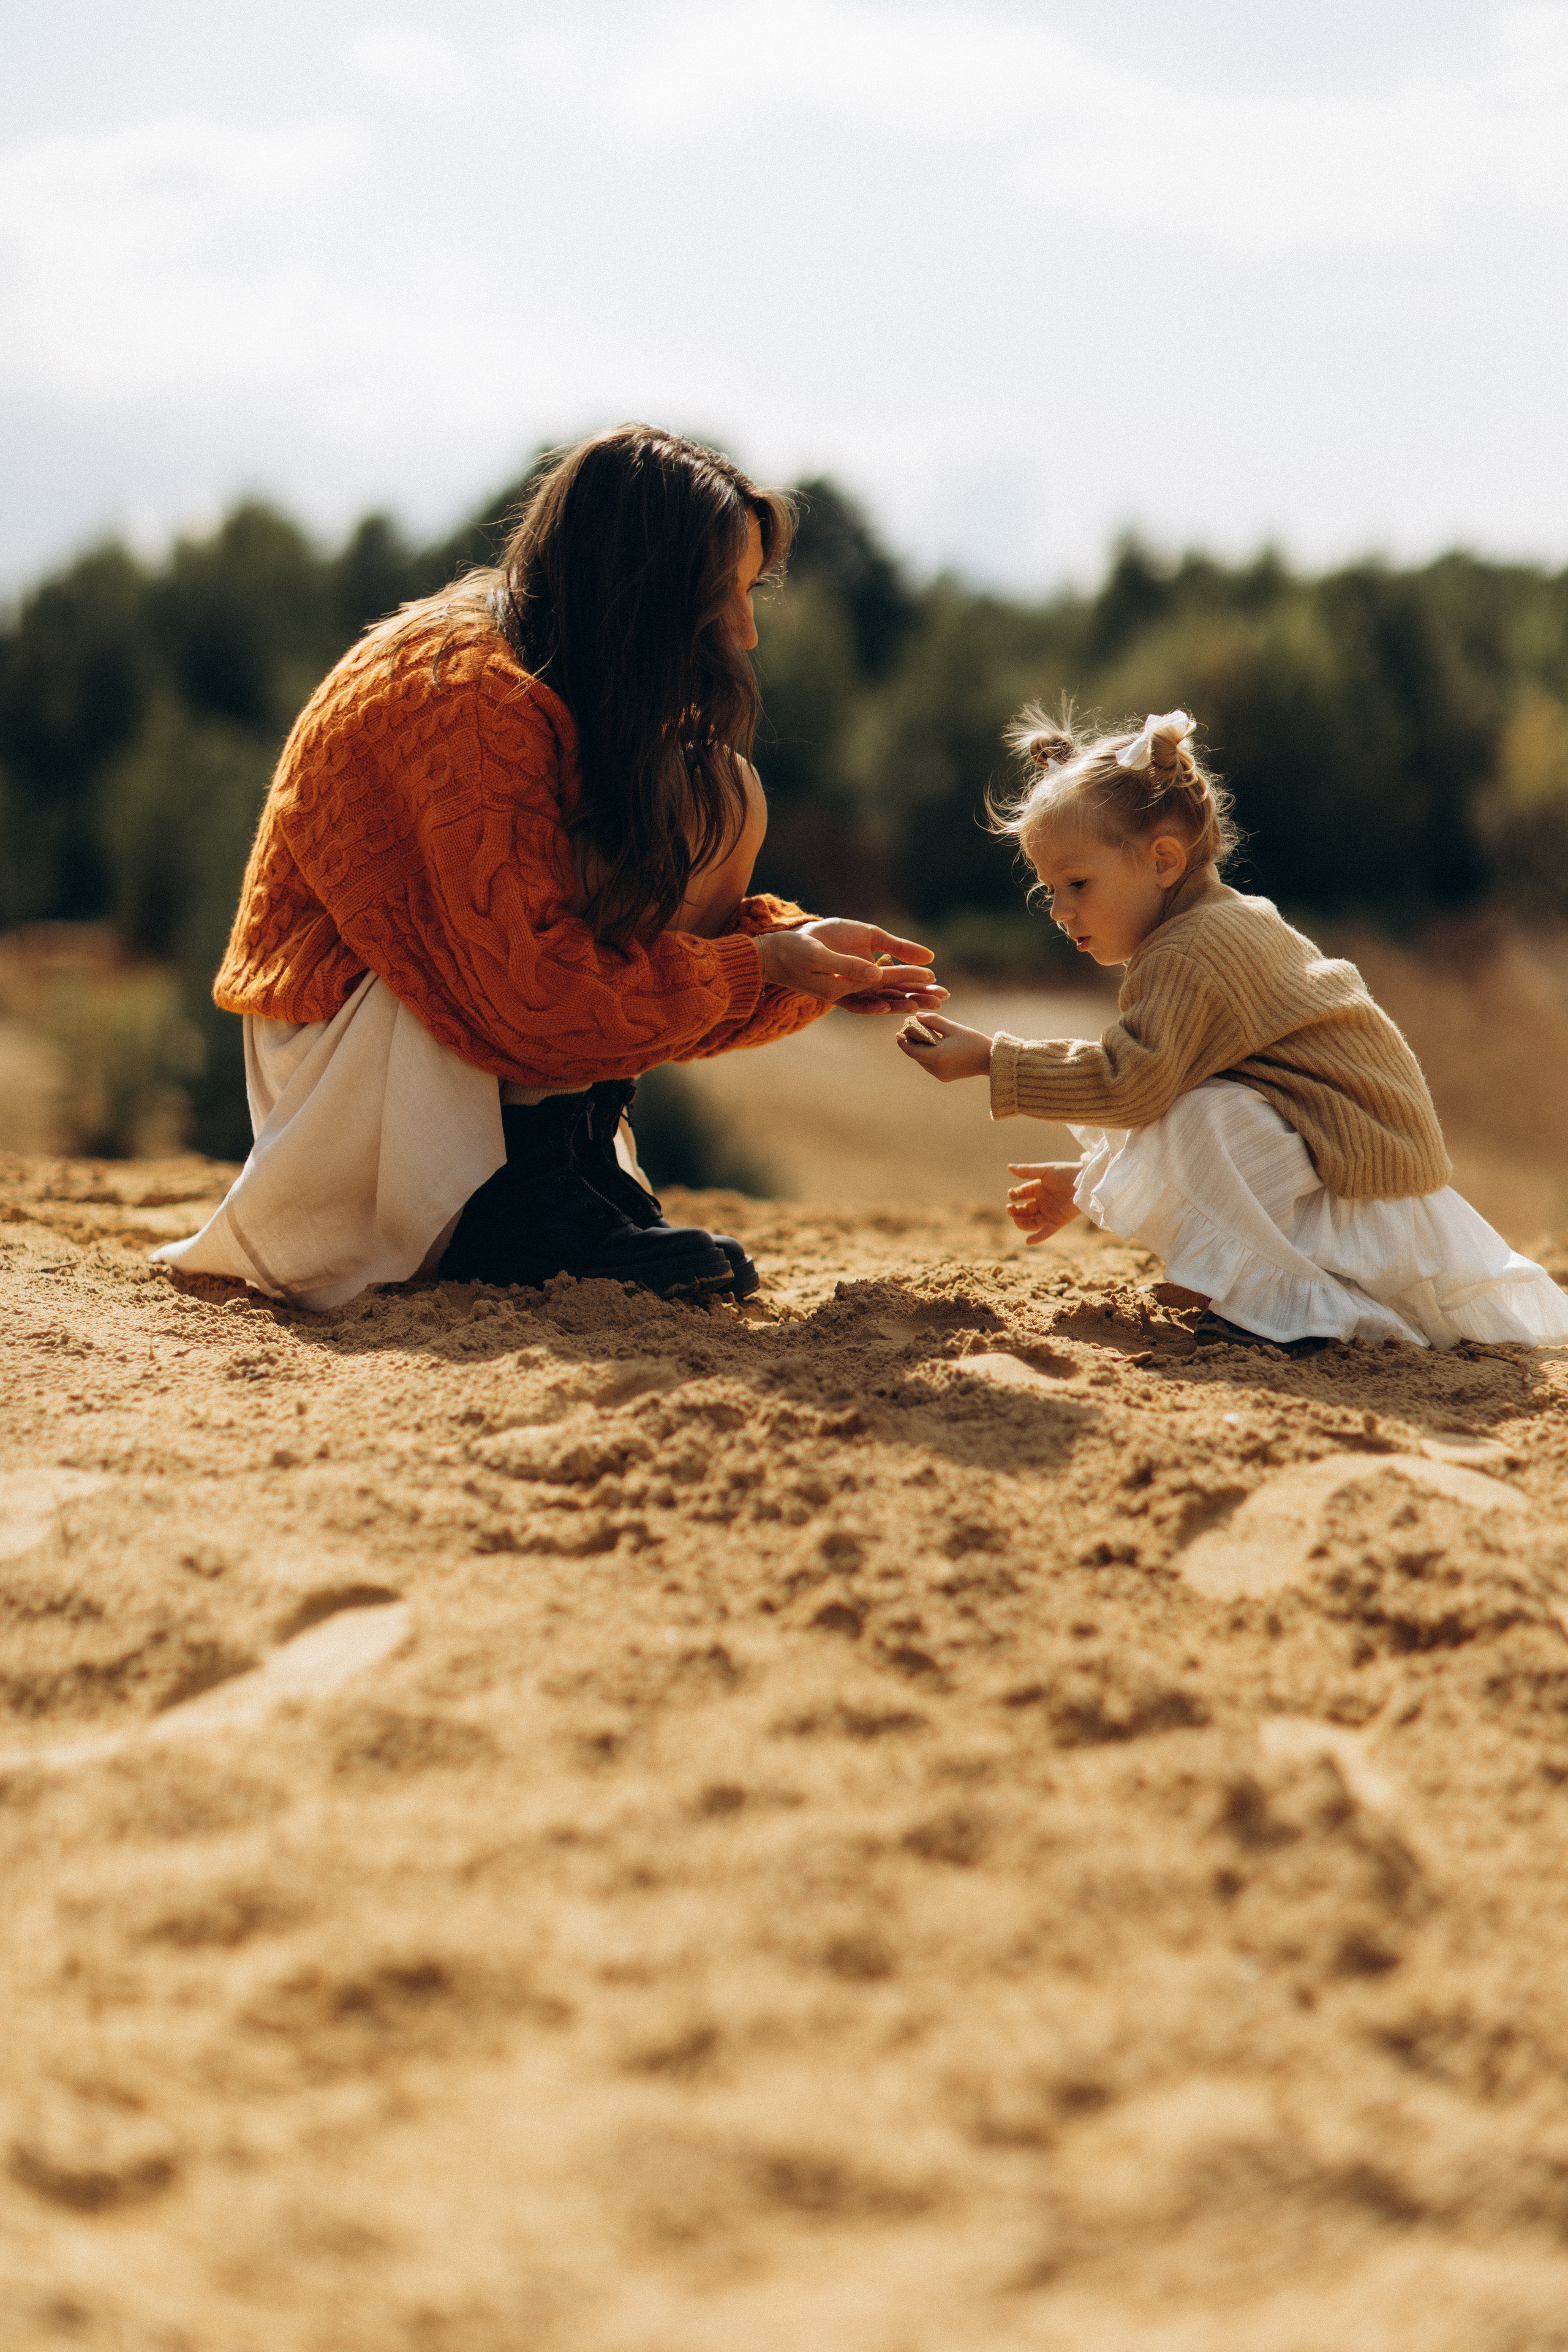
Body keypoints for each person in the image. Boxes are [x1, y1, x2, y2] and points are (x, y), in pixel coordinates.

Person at [157, 426, 943, 1312]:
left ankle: (561, 1165)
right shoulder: (466, 696)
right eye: (718, 594)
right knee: (698, 800)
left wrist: (794, 958)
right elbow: (536, 997)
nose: (745, 632)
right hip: (355, 1054)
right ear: (639, 585)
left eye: (748, 591)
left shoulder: (550, 661)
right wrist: (757, 966)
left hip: (460, 1014)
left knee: (713, 792)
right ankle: (519, 1205)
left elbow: (598, 982)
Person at [895, 706, 1568, 1349]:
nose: (1058, 910)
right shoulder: (1209, 923)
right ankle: (1259, 1290)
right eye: (1050, 890)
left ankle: (1287, 1306)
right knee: (1194, 1099)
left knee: (1199, 1112)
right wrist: (1086, 1180)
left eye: (1077, 883)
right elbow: (1157, 1081)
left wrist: (992, 1060)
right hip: (1354, 1173)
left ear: (1163, 861)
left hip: (1361, 1191)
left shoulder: (1194, 949)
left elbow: (1128, 1086)